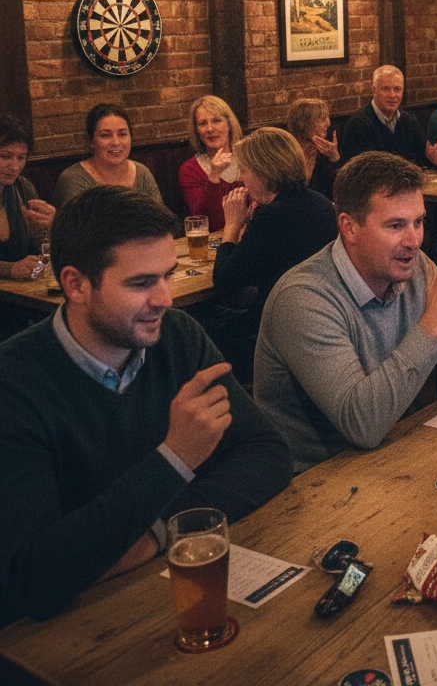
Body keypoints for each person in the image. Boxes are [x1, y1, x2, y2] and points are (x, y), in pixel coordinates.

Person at [0, 186, 291, 624]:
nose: (165, 299)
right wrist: (174, 458)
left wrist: (159, 533)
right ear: (75, 284)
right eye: (141, 283)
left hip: (160, 591)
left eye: (166, 275)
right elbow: (34, 578)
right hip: (64, 635)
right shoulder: (15, 384)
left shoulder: (176, 336)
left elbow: (268, 454)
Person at [254, 151, 437, 472]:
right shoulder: (303, 299)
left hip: (394, 450)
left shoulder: (416, 268)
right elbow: (361, 425)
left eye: (418, 222)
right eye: (395, 225)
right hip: (315, 480)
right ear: (349, 227)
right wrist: (432, 325)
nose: (413, 240)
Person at [211, 128, 337, 376]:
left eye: (244, 170)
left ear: (263, 171)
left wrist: (232, 225)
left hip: (274, 333)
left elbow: (225, 282)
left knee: (201, 326)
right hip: (320, 319)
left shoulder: (272, 215)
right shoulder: (320, 202)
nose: (241, 178)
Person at [53, 103, 162, 209]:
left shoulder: (142, 173)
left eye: (122, 134)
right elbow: (80, 226)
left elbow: (161, 221)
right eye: (106, 135)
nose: (116, 142)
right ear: (91, 141)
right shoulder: (74, 179)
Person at [340, 65, 437, 167]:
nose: (392, 95)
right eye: (385, 89)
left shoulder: (408, 121)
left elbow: (422, 158)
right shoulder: (359, 124)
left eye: (397, 89)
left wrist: (435, 158)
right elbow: (366, 171)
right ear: (374, 91)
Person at [178, 94, 244, 232]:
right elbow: (204, 220)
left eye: (216, 120)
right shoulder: (189, 169)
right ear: (197, 131)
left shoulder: (249, 158)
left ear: (229, 124)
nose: (210, 129)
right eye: (203, 123)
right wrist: (214, 176)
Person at [0, 113, 54, 281]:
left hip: (18, 294)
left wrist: (53, 225)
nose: (15, 166)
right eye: (5, 156)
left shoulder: (23, 188)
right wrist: (10, 269)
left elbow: (43, 250)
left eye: (21, 158)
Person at [287, 97, 342, 201]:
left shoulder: (326, 151)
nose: (328, 123)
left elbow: (342, 190)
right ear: (304, 123)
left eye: (327, 117)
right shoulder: (286, 153)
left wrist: (335, 159)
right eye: (322, 119)